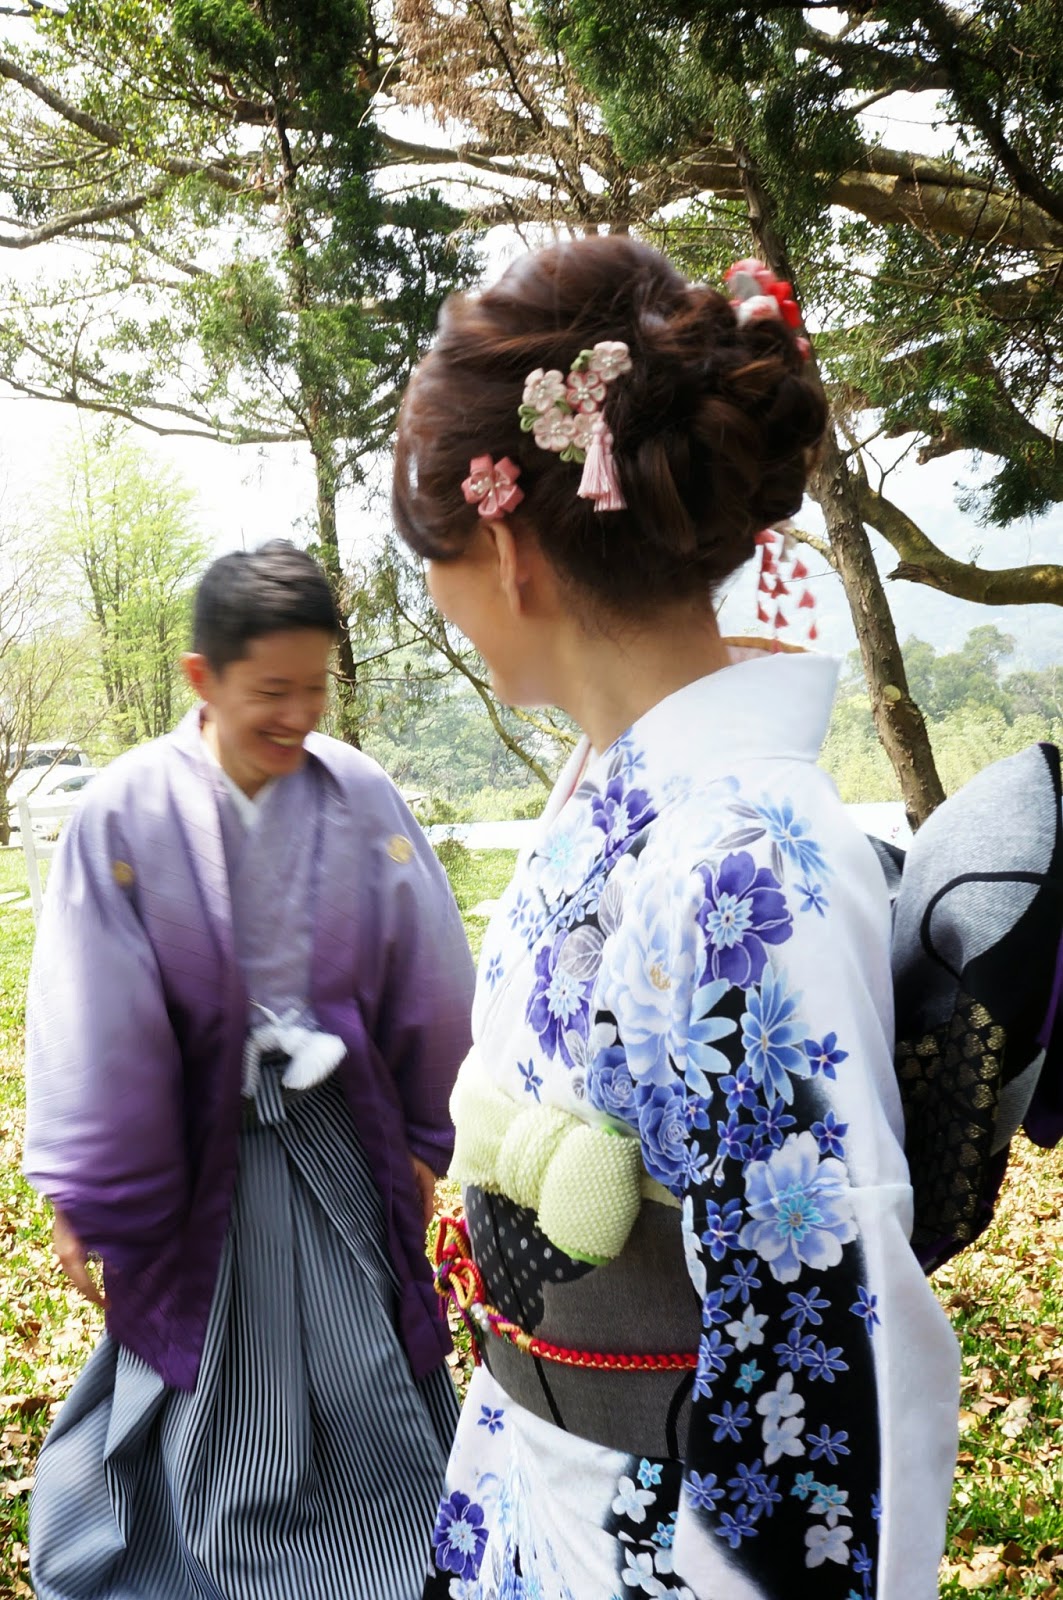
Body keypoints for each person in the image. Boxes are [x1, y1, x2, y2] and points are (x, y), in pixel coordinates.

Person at [392, 237, 960, 1599]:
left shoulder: (736, 864)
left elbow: (815, 1349)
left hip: (655, 1542)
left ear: (503, 544)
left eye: (431, 556)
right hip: (535, 1479)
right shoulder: (617, 790)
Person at [24, 540, 475, 1600]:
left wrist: (424, 1132)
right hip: (188, 1151)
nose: (298, 715)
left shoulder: (356, 793)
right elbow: (91, 1013)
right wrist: (91, 1192)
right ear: (203, 677)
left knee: (366, 1346)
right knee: (209, 1363)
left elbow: (427, 964)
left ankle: (390, 1550)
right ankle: (206, 1556)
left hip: (338, 1132)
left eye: (314, 687)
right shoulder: (125, 812)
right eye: (271, 691)